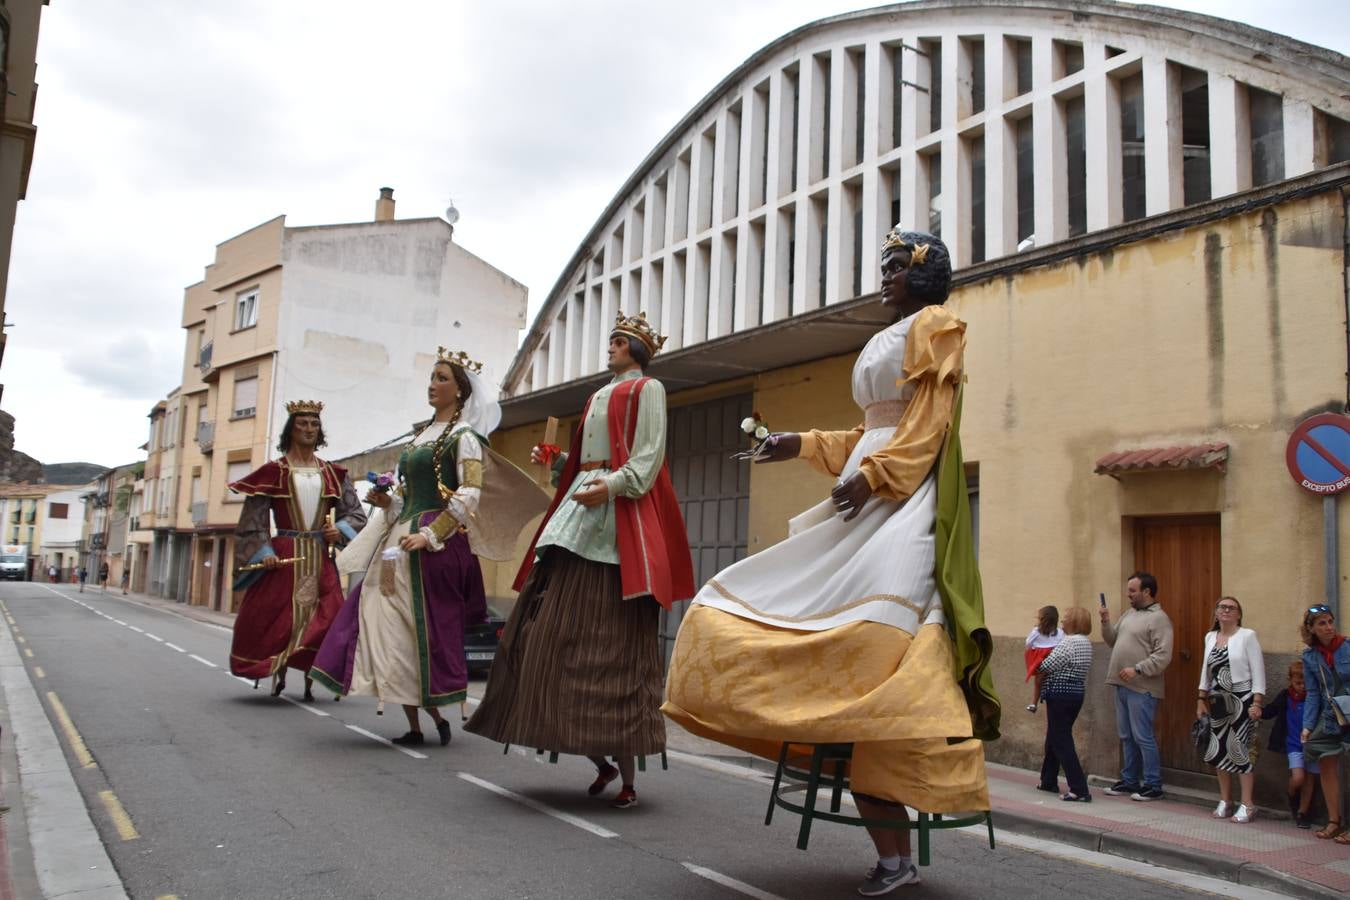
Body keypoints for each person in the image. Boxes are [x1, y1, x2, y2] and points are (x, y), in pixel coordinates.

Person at [662, 228, 997, 896]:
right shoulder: (887, 337)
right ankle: (827, 742)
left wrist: (871, 479)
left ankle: (893, 830)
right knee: (735, 594)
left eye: (897, 266)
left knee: (880, 638)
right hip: (864, 493)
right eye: (884, 264)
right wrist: (798, 443)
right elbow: (873, 428)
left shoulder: (938, 326)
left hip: (901, 505)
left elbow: (924, 428)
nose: (885, 275)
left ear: (924, 277)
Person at [467, 313, 694, 808]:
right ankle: (600, 761)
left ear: (637, 349)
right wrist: (553, 466)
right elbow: (581, 465)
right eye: (610, 340)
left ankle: (628, 777)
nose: (610, 348)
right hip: (579, 510)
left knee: (614, 651)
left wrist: (612, 485)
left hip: (616, 527)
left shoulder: (647, 389)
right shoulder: (596, 395)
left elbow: (648, 457)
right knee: (539, 639)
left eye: (618, 342)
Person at [314, 350, 544, 746]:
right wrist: (388, 504)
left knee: (417, 632)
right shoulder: (420, 437)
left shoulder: (464, 438)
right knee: (379, 619)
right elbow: (407, 497)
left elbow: (470, 492)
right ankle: (418, 722)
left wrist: (432, 534)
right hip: (398, 539)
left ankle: (434, 712)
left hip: (433, 546)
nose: (432, 384)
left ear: (459, 390)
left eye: (441, 378)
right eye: (432, 378)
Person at [227, 400, 367, 701]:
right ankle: (278, 672)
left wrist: (338, 530)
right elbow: (254, 519)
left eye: (314, 424)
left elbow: (356, 514)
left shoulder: (333, 473)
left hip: (319, 554)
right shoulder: (273, 471)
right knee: (280, 620)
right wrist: (264, 549)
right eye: (302, 424)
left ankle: (312, 677)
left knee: (327, 618)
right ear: (291, 429)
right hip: (284, 556)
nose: (309, 429)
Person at [1099, 572, 1173, 802]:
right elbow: (1112, 639)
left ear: (1147, 592)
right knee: (1126, 736)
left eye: (1132, 590)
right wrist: (1105, 620)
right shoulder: (1130, 614)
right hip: (1122, 684)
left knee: (1143, 736)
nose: (1128, 594)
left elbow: (1163, 655)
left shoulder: (1159, 618)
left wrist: (1138, 669)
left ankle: (1153, 784)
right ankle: (1130, 780)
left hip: (1142, 687)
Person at [1196, 596, 1266, 823]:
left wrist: (1257, 702)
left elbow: (1258, 671)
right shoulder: (1210, 637)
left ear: (1238, 614)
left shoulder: (1247, 636)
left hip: (1241, 699)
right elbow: (1205, 672)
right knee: (1218, 749)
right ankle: (1226, 800)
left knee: (1239, 749)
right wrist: (1200, 698)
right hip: (1217, 701)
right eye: (1222, 607)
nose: (1226, 610)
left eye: (1231, 608)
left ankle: (1248, 804)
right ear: (1216, 612)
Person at [1300, 603, 1350, 843]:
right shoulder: (1310, 656)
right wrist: (1307, 726)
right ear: (1311, 629)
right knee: (1323, 759)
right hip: (1331, 716)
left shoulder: (1348, 647)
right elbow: (1312, 693)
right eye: (1322, 623)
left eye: (1330, 621)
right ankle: (1334, 820)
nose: (1329, 627)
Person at [1036, 606, 1094, 802]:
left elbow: (1047, 665)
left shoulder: (1069, 642)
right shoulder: (1086, 643)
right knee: (1054, 736)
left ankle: (1079, 788)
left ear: (1075, 622)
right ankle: (1048, 780)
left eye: (1067, 618)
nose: (1062, 621)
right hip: (1076, 694)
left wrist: (1037, 661)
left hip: (1060, 694)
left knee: (1061, 739)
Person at [1262, 660, 1321, 828]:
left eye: (1305, 683)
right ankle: (1292, 794)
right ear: (1290, 681)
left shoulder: (1315, 697)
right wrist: (1258, 711)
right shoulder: (1285, 696)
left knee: (1310, 779)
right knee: (1298, 778)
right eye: (1298, 683)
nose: (1302, 686)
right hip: (1294, 744)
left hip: (1313, 745)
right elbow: (1271, 710)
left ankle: (1303, 812)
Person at [1025, 605, 1063, 713]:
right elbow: (1062, 643)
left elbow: (1028, 643)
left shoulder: (1036, 631)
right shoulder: (1059, 632)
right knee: (1051, 677)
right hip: (1054, 655)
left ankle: (1034, 702)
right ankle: (1036, 702)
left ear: (1043, 619)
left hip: (1041, 657)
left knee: (1038, 681)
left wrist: (1033, 648)